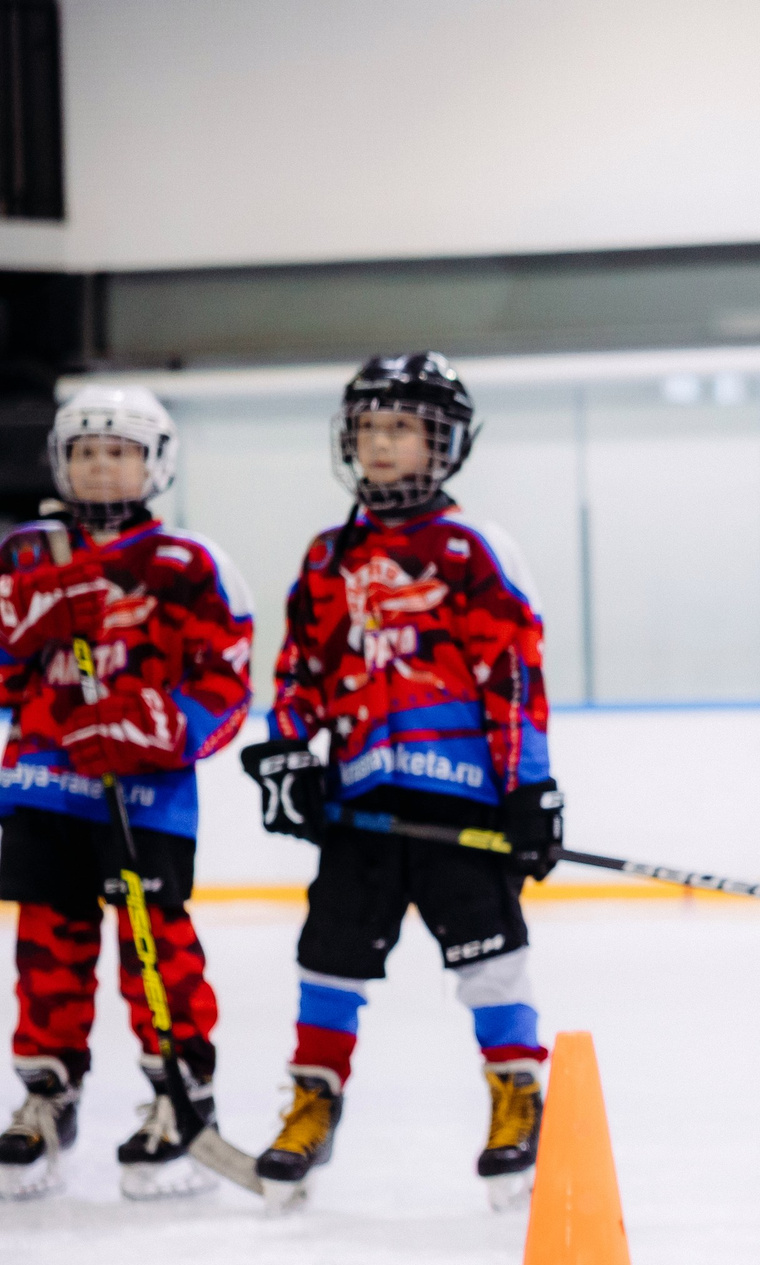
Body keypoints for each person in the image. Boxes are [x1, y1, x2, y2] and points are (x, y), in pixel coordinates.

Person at [235, 352, 563, 1211]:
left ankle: (517, 1093)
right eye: (369, 427)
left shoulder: (471, 549)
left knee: (491, 956)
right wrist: (290, 757)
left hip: (463, 802)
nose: (381, 444)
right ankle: (313, 1099)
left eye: (402, 428)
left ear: (442, 442)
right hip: (358, 805)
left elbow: (515, 676)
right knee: (328, 959)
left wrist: (531, 789)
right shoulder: (328, 556)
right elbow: (299, 674)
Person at [0, 385, 254, 1201]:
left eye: (119, 451)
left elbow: (225, 684)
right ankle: (48, 1095)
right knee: (47, 952)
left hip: (144, 801)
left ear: (155, 463)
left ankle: (177, 1100)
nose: (101, 466)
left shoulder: (189, 565)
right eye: (84, 451)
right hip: (43, 789)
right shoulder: (26, 557)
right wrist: (31, 623)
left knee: (159, 955)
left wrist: (155, 726)